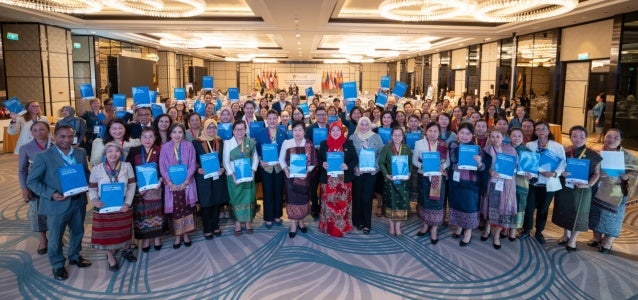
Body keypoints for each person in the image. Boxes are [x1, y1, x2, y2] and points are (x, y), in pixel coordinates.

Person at [27, 125, 91, 281]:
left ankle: (75, 256)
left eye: (70, 136)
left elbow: (86, 173)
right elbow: (32, 181)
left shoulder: (80, 152)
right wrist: (51, 194)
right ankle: (57, 265)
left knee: (78, 232)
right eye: (62, 136)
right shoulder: (43, 156)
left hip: (78, 201)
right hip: (57, 204)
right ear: (54, 137)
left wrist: (89, 185)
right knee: (56, 238)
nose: (67, 140)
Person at [88, 142, 137, 271]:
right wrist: (94, 200)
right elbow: (92, 188)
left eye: (116, 151)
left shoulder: (127, 166)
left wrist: (127, 203)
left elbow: (132, 185)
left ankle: (125, 249)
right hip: (103, 207)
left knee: (123, 231)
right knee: (106, 235)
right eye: (109, 151)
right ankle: (110, 256)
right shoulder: (97, 168)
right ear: (105, 154)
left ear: (121, 153)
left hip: (123, 206)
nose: (113, 154)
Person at [552, 125, 602, 251]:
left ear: (586, 138)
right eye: (574, 136)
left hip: (583, 189)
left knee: (579, 213)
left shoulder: (593, 155)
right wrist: (561, 172)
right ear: (570, 137)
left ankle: (573, 240)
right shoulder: (564, 151)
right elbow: (555, 167)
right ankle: (566, 235)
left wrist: (588, 184)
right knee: (565, 210)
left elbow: (597, 173)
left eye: (581, 136)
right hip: (565, 187)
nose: (578, 139)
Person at [588, 128, 637, 254]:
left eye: (616, 138)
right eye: (609, 136)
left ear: (621, 140)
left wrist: (627, 177)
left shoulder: (626, 155)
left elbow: (636, 172)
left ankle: (608, 241)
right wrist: (597, 173)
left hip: (616, 190)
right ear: (604, 137)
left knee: (612, 217)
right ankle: (596, 237)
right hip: (597, 187)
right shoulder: (596, 151)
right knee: (595, 213)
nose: (611, 140)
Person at [521, 121, 566, 244]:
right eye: (538, 129)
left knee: (543, 209)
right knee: (529, 208)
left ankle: (539, 231)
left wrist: (554, 173)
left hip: (548, 183)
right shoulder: (530, 145)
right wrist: (527, 171)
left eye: (543, 129)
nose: (540, 131)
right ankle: (526, 229)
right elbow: (526, 163)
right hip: (532, 183)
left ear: (548, 131)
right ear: (535, 132)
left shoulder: (557, 147)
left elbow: (562, 164)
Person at [125, 127, 164, 252]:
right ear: (140, 138)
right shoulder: (134, 150)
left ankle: (157, 237)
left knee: (157, 213)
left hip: (156, 187)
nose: (147, 140)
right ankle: (146, 239)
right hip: (140, 189)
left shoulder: (160, 150)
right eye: (144, 137)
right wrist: (136, 185)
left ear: (155, 138)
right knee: (142, 215)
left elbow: (165, 167)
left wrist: (160, 181)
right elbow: (128, 169)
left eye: (150, 137)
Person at [159, 123, 197, 249]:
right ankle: (177, 236)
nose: (177, 135)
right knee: (176, 210)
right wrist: (169, 183)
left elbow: (192, 164)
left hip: (187, 184)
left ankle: (185, 234)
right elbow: (162, 166)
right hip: (172, 186)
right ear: (170, 134)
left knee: (187, 208)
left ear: (183, 134)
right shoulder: (165, 147)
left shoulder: (189, 145)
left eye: (180, 132)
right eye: (174, 132)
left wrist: (186, 181)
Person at [317, 121, 358, 237]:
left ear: (342, 131)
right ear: (330, 131)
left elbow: (355, 159)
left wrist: (348, 166)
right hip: (328, 181)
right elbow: (318, 159)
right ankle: (327, 227)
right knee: (328, 204)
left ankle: (343, 227)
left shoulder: (348, 144)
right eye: (333, 130)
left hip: (343, 181)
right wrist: (322, 164)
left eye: (338, 130)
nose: (335, 132)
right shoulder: (324, 144)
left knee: (343, 204)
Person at [448, 122, 485, 247]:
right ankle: (459, 227)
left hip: (471, 182)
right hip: (456, 181)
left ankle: (467, 232)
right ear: (457, 134)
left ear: (472, 134)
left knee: (469, 206)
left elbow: (482, 168)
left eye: (468, 133)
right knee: (456, 203)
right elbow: (453, 159)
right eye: (462, 133)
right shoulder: (453, 145)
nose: (464, 136)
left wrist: (479, 162)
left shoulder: (477, 149)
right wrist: (462, 148)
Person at [279, 121, 318, 238]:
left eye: (300, 130)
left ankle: (301, 222)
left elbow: (313, 161)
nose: (297, 132)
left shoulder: (308, 144)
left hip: (303, 177)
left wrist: (306, 172)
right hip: (290, 177)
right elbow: (281, 159)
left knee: (303, 199)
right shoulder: (287, 143)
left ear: (304, 132)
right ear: (292, 131)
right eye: (295, 130)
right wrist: (286, 170)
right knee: (291, 200)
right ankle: (293, 225)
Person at [18, 121, 52, 255]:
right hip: (35, 185)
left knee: (56, 213)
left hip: (55, 184)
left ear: (48, 130)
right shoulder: (26, 148)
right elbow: (22, 171)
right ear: (31, 132)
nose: (39, 132)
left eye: (42, 129)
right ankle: (43, 240)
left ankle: (55, 237)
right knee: (38, 214)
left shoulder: (56, 145)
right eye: (35, 130)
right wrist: (24, 188)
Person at [412, 122, 449, 244]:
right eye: (430, 131)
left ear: (439, 133)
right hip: (424, 176)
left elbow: (447, 161)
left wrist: (442, 166)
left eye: (435, 131)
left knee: (436, 203)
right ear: (426, 131)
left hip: (438, 178)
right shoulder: (419, 143)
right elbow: (414, 161)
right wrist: (424, 166)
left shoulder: (443, 145)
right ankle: (425, 225)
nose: (432, 134)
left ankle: (434, 230)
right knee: (424, 201)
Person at [482, 129, 518, 249]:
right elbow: (482, 167)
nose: (495, 139)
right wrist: (489, 171)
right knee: (489, 208)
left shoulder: (510, 150)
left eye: (498, 136)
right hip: (491, 183)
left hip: (505, 184)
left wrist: (509, 172)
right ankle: (487, 229)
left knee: (502, 211)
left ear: (503, 137)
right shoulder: (486, 150)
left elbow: (516, 167)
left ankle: (496, 235)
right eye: (492, 136)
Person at [193, 119, 229, 239]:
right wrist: (198, 169)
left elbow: (224, 158)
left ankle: (215, 225)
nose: (212, 130)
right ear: (205, 128)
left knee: (216, 201)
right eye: (209, 127)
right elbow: (193, 160)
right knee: (206, 202)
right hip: (203, 177)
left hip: (218, 175)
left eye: (214, 127)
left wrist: (223, 168)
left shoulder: (220, 141)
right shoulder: (197, 142)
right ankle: (207, 227)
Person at [223, 120, 259, 236]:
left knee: (249, 199)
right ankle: (238, 223)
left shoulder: (251, 142)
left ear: (245, 130)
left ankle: (248, 222)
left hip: (248, 177)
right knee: (236, 200)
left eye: (242, 129)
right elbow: (225, 161)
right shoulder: (228, 143)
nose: (239, 131)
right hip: (234, 178)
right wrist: (232, 175)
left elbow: (255, 158)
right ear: (233, 131)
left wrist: (253, 171)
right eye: (237, 129)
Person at [350, 117, 384, 234]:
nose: (364, 127)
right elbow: (349, 156)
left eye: (366, 124)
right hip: (358, 172)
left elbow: (381, 153)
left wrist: (374, 166)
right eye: (362, 124)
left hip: (371, 173)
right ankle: (357, 221)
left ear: (369, 125)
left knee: (367, 198)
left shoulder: (376, 137)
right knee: (357, 197)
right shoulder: (352, 138)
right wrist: (355, 167)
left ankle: (366, 223)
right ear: (358, 125)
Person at [255, 110, 287, 228]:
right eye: (270, 118)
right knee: (267, 192)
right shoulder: (260, 133)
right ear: (266, 120)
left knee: (278, 192)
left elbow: (286, 150)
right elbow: (256, 150)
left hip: (279, 168)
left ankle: (277, 215)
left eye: (274, 118)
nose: (272, 121)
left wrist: (283, 161)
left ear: (278, 119)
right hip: (266, 167)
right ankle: (268, 217)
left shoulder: (283, 133)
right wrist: (260, 161)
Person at [379, 126, 412, 237]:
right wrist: (386, 175)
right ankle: (391, 226)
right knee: (390, 203)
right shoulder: (387, 148)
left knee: (401, 204)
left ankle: (398, 227)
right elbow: (381, 163)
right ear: (392, 136)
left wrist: (409, 174)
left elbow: (410, 164)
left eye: (400, 135)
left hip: (403, 181)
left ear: (403, 137)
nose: (397, 137)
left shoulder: (406, 148)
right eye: (395, 135)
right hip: (390, 180)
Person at [305, 106, 329, 218]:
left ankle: (324, 206)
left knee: (325, 186)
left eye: (323, 114)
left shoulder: (330, 127)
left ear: (326, 115)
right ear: (315, 116)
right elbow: (307, 145)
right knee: (313, 187)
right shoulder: (310, 129)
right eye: (319, 114)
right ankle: (314, 207)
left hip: (326, 162)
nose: (321, 116)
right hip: (314, 162)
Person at [508, 127, 532, 241]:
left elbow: (532, 170)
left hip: (521, 182)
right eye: (514, 136)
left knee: (519, 205)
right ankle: (505, 227)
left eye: (519, 136)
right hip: (507, 181)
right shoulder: (505, 149)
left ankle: (513, 230)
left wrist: (531, 174)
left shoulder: (528, 152)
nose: (516, 138)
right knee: (507, 203)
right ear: (509, 137)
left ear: (523, 138)